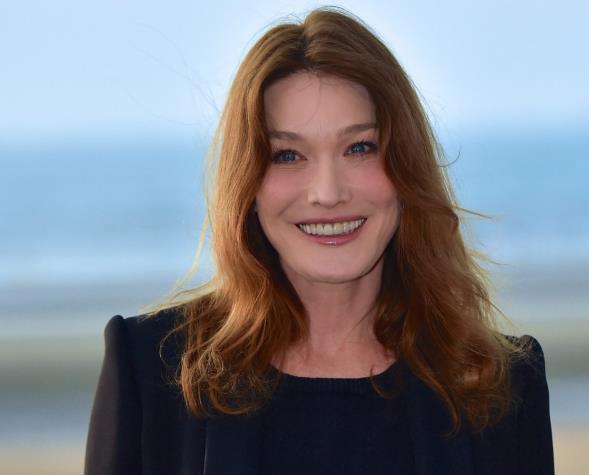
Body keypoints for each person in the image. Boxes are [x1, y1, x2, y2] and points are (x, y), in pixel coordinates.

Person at [85, 7, 554, 475]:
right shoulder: (150, 368)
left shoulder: (501, 383)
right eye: (288, 155)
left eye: (360, 147)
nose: (327, 193)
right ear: (248, 183)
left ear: (406, 167)